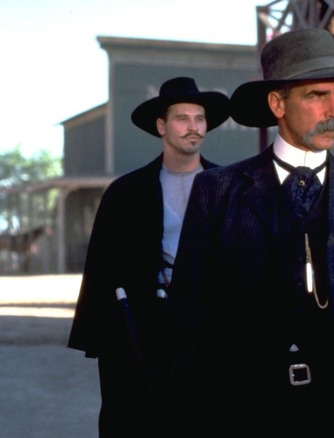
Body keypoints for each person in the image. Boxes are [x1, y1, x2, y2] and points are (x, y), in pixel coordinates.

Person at [162, 29, 334, 437]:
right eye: (316, 95)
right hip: (249, 412)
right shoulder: (217, 191)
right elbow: (187, 325)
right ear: (277, 103)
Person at [67, 76, 229, 437]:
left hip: (210, 326)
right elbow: (102, 269)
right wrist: (101, 339)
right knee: (139, 417)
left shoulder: (229, 186)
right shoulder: (127, 192)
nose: (193, 127)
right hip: (145, 322)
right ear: (161, 126)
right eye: (182, 118)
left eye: (199, 119)